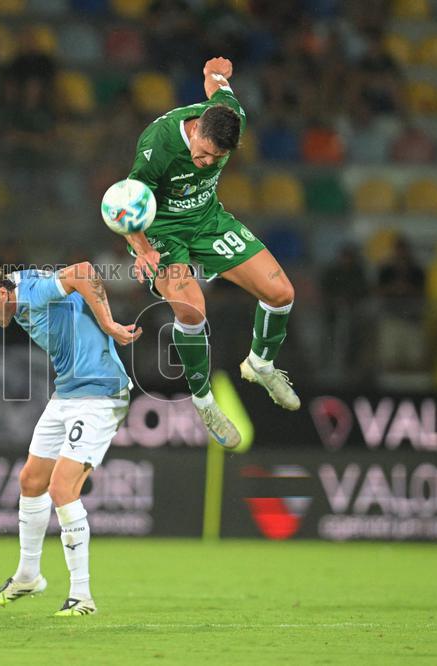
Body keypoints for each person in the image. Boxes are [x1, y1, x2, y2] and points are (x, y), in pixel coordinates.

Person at [124, 56, 299, 450]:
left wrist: (213, 71)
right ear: (195, 128)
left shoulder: (230, 114)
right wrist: (143, 250)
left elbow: (217, 84)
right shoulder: (158, 145)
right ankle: (204, 400)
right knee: (192, 308)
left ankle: (261, 363)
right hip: (160, 229)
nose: (206, 163)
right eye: (202, 154)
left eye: (216, 159)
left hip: (207, 219)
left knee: (281, 293)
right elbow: (129, 201)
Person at [0, 261, 140, 616]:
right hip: (67, 393)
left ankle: (81, 596)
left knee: (63, 489)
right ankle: (28, 575)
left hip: (100, 393)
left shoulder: (34, 292)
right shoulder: (14, 287)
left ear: (2, 293)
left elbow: (84, 271)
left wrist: (109, 324)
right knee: (31, 480)